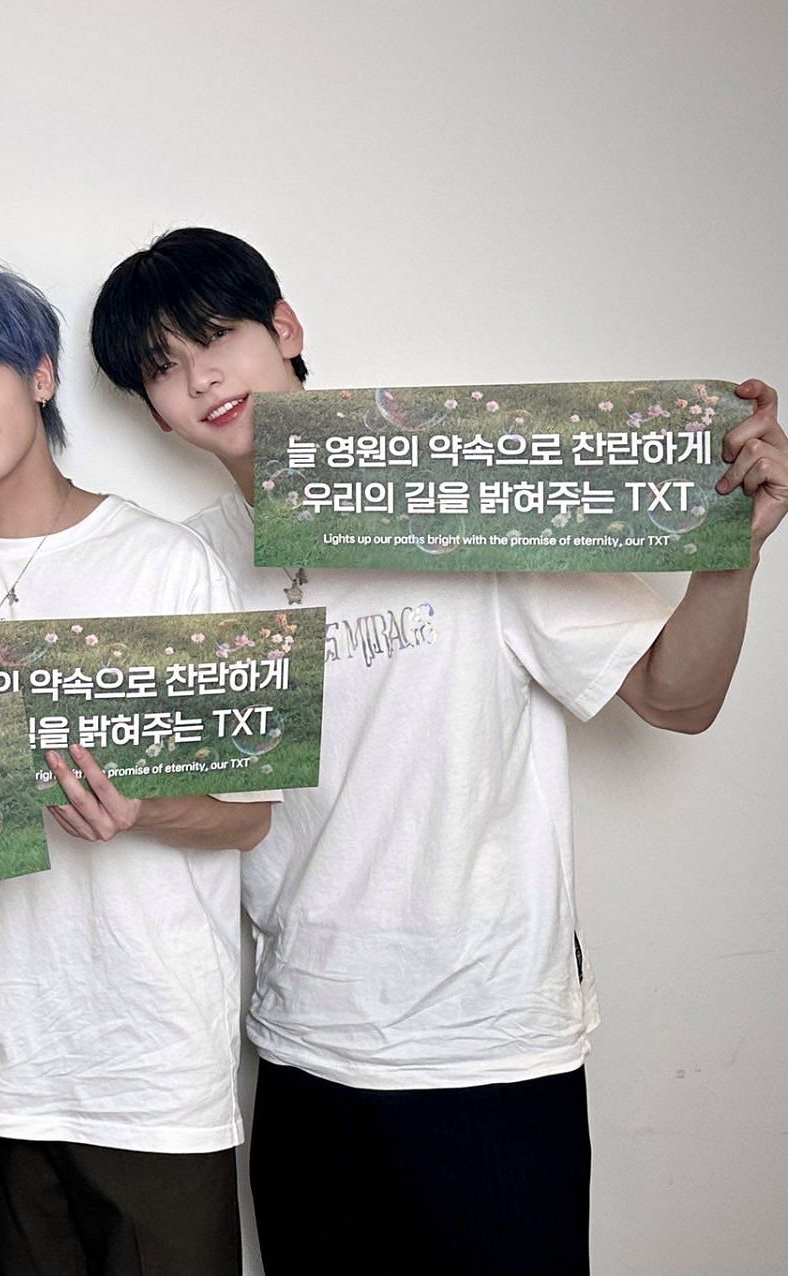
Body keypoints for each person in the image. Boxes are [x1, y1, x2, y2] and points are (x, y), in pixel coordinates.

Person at [78, 225, 788, 1273]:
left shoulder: (465, 494)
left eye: (217, 335)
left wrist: (733, 551)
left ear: (286, 328)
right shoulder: (189, 572)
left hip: (493, 1051)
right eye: (163, 370)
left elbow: (675, 699)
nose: (201, 378)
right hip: (303, 1053)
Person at [0, 263, 271, 1276]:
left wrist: (143, 809)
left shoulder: (164, 565)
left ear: (42, 376)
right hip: (9, 1077)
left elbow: (249, 813)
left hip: (157, 1075)